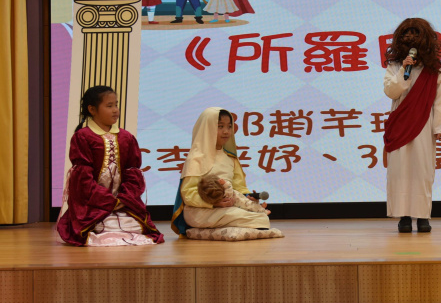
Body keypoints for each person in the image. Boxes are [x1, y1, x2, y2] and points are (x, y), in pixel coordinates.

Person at [56, 86, 163, 246]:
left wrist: (123, 199)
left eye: (116, 105)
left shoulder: (126, 137)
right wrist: (108, 201)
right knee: (100, 226)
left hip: (123, 203)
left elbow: (133, 173)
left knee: (134, 225)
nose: (115, 110)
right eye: (109, 106)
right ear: (92, 109)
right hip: (94, 204)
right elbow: (83, 180)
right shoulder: (83, 137)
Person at [171, 107, 283, 241]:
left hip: (226, 208)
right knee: (256, 220)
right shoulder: (196, 158)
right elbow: (188, 194)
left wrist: (249, 198)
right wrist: (214, 203)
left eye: (229, 126)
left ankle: (209, 232)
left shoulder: (230, 158)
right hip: (201, 211)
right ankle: (207, 230)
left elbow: (239, 188)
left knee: (261, 218)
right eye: (220, 126)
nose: (226, 131)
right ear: (207, 128)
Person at [383, 17, 441, 233]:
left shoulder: (433, 70)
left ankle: (422, 217)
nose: (411, 38)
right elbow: (391, 92)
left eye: (415, 34)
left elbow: (439, 101)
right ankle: (403, 216)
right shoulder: (395, 66)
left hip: (424, 126)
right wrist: (404, 70)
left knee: (422, 172)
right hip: (400, 124)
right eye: (407, 34)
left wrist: (439, 128)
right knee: (399, 172)